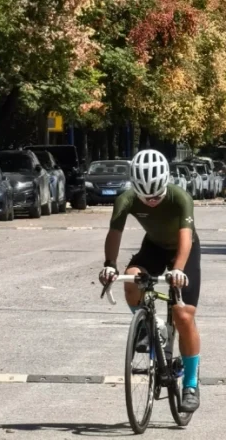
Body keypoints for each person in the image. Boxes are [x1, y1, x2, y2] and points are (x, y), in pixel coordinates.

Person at [99, 148, 202, 413]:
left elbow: (185, 237)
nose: (152, 201)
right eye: (146, 197)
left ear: (165, 182)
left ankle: (191, 383)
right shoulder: (126, 199)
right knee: (131, 279)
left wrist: (177, 270)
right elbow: (114, 233)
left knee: (183, 315)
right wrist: (110, 265)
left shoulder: (180, 198)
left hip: (183, 247)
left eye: (156, 195)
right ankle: (147, 326)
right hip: (154, 247)